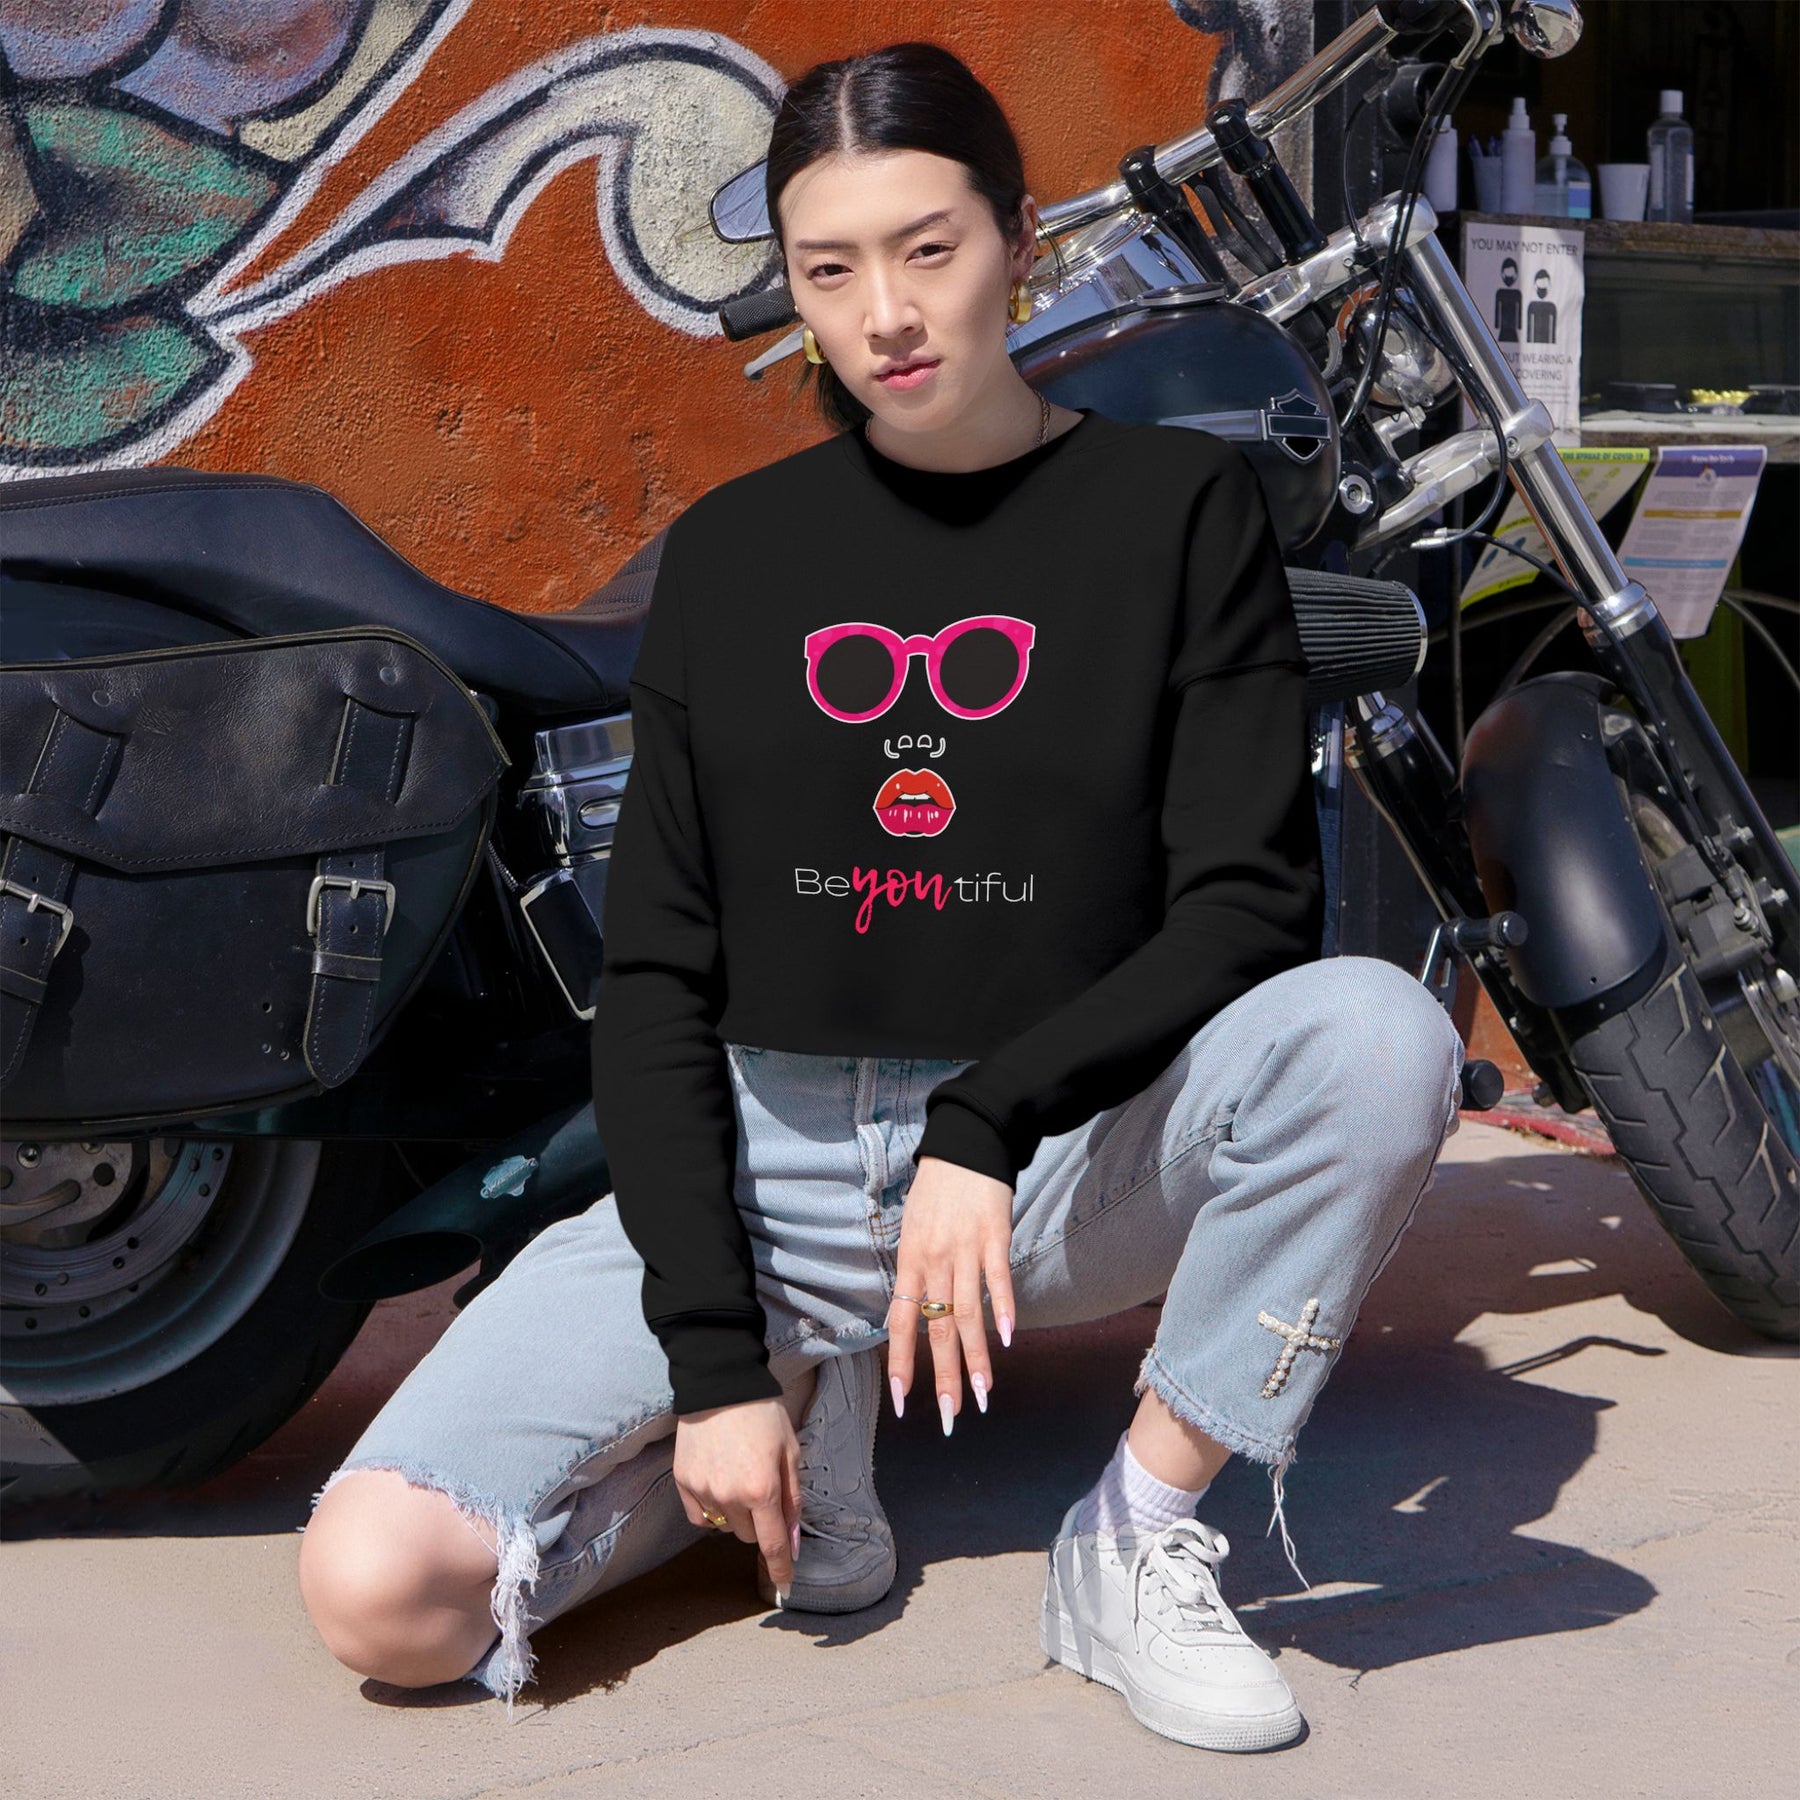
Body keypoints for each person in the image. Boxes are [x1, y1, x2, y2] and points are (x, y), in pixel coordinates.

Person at [297, 40, 1465, 1755]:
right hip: (770, 1172)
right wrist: (713, 1359)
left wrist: (988, 1123)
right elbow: (662, 973)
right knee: (383, 1596)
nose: (888, 315)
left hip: (1060, 1160)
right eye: (831, 268)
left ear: (1018, 240)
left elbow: (1247, 909)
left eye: (930, 249)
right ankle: (786, 1414)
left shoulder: (1177, 512)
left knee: (1379, 1036)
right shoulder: (736, 556)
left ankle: (1134, 1536)